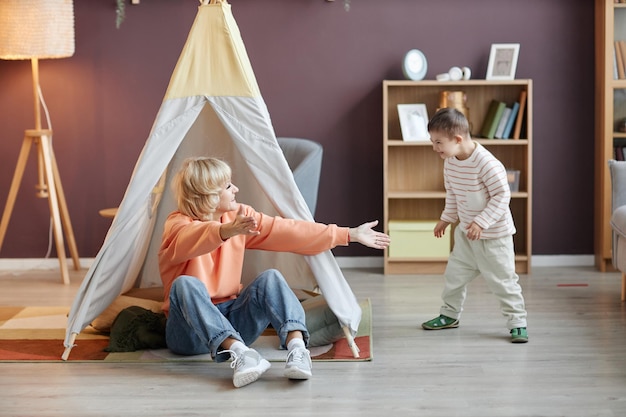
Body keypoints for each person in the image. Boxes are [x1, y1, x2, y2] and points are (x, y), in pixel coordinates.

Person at [158, 156, 390, 388]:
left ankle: (298, 351)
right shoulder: (176, 224)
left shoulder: (238, 217)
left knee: (271, 278)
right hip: (189, 334)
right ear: (208, 195)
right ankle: (241, 354)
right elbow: (193, 238)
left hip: (234, 318)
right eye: (228, 186)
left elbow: (287, 231)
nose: (235, 189)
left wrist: (348, 234)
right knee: (184, 284)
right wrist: (226, 231)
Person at [421, 108, 528, 343]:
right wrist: (446, 219)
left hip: (495, 238)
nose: (434, 148)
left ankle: (517, 322)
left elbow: (502, 196)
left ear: (458, 139)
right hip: (467, 236)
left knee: (504, 281)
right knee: (454, 276)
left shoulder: (487, 164)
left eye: (438, 142)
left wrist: (481, 221)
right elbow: (453, 195)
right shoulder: (450, 163)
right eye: (432, 142)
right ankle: (449, 315)